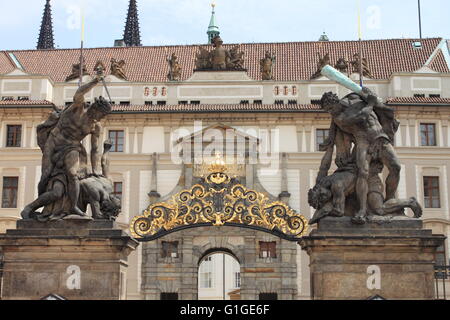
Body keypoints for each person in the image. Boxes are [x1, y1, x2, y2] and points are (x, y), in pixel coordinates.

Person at [21, 74, 111, 220]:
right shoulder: (78, 108)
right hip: (54, 142)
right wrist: (94, 81)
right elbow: (79, 93)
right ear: (95, 108)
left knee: (72, 173)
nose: (100, 118)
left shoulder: (95, 126)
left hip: (73, 148)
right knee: (46, 176)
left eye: (102, 116)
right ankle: (32, 207)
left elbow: (95, 150)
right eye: (100, 114)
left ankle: (74, 206)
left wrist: (95, 170)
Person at [320, 88, 401, 223]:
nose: (331, 112)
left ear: (336, 102)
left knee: (396, 167)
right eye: (328, 110)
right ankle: (362, 210)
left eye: (331, 108)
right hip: (362, 141)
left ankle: (391, 198)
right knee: (363, 172)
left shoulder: (354, 98)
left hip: (380, 137)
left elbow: (370, 94)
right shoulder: (340, 118)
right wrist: (370, 104)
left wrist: (369, 96)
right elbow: (361, 117)